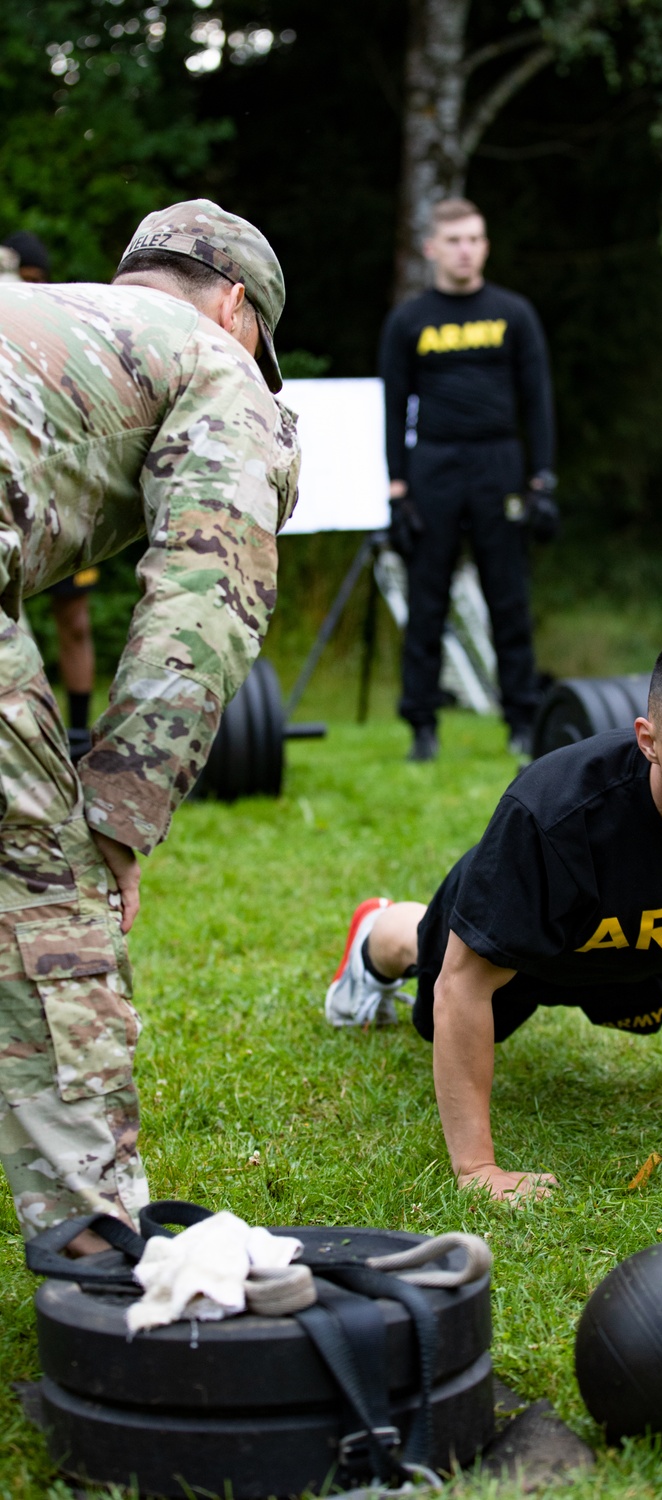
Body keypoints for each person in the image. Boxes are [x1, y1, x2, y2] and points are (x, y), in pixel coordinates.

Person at [324, 626, 662, 1199]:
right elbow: (462, 986)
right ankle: (377, 928)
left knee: (634, 999)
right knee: (430, 965)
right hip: (533, 946)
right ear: (649, 741)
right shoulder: (554, 816)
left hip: (648, 952)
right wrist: (477, 1170)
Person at [0, 200, 300, 1253]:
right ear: (236, 309)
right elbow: (203, 602)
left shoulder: (50, 323)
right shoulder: (220, 368)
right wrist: (120, 817)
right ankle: (97, 1248)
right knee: (44, 904)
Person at [378, 197, 557, 762]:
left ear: (485, 245)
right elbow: (392, 406)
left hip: (499, 463)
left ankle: (523, 721)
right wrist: (396, 489)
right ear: (432, 248)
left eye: (475, 239)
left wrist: (542, 479)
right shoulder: (408, 321)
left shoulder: (513, 314)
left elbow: (538, 402)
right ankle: (422, 728)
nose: (465, 250)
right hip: (432, 468)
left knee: (508, 598)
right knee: (426, 602)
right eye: (454, 240)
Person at [3, 228, 100, 757]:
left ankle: (80, 736)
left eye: (36, 282)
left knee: (75, 618)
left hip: (59, 496)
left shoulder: (57, 333)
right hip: (8, 494)